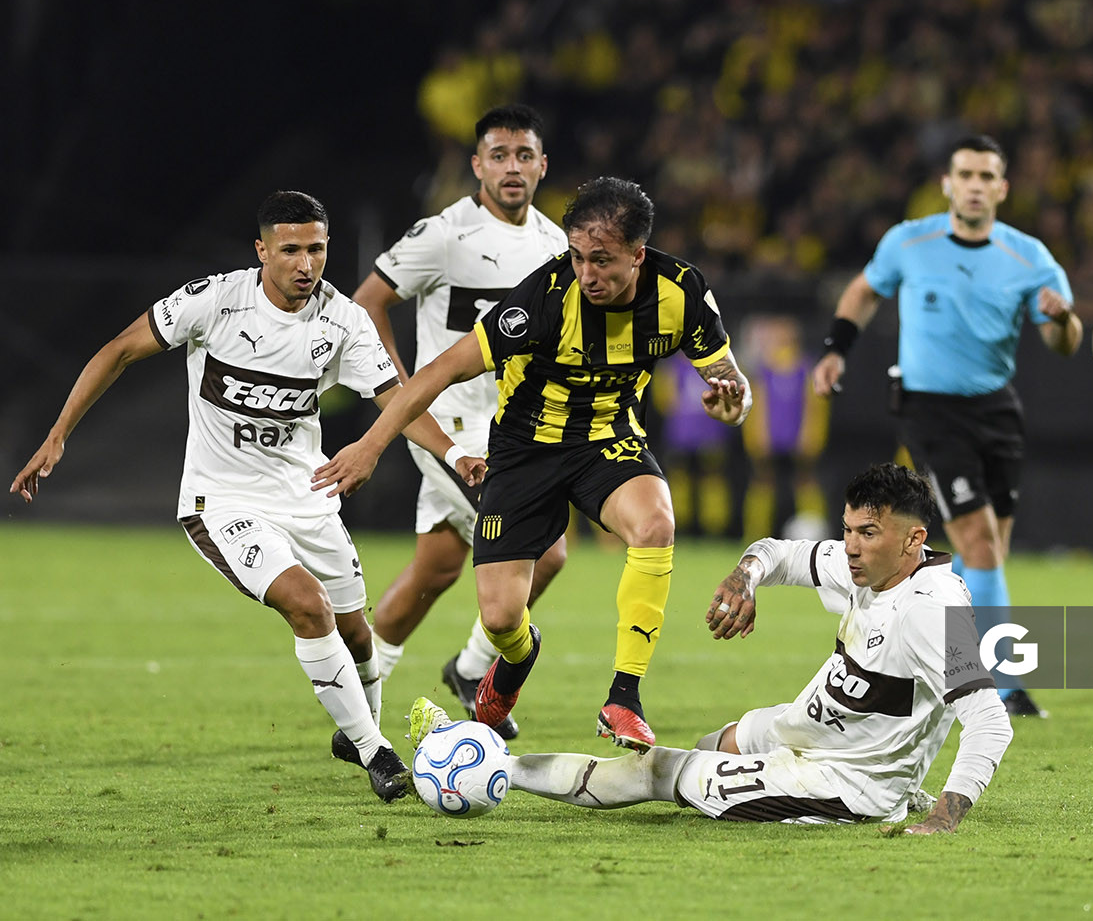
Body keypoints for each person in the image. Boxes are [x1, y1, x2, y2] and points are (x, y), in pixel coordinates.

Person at [9, 192, 471, 802]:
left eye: (317, 249)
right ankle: (374, 751)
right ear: (261, 251)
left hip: (307, 495)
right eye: (290, 250)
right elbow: (119, 349)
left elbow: (400, 401)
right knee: (308, 606)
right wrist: (57, 434)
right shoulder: (215, 301)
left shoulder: (344, 322)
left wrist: (457, 454)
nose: (306, 264)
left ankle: (357, 728)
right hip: (221, 500)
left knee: (358, 636)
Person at [313, 177, 752, 752]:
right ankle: (518, 656)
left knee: (656, 524)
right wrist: (371, 444)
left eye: (602, 260)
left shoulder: (683, 292)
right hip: (524, 451)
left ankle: (624, 698)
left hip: (607, 440)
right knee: (499, 618)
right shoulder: (543, 297)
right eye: (577, 256)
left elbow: (731, 384)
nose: (587, 273)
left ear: (638, 255)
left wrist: (734, 403)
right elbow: (442, 369)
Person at [407, 463, 1014, 830]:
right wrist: (745, 576)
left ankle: (492, 769)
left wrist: (945, 814)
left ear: (915, 540)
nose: (851, 547)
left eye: (868, 534)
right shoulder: (869, 569)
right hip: (813, 727)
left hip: (840, 779)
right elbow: (778, 552)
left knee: (654, 772)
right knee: (712, 745)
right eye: (849, 530)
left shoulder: (935, 612)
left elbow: (989, 722)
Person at [812, 134, 1082, 719]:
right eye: (967, 174)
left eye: (988, 176)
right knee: (981, 542)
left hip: (996, 408)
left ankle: (915, 642)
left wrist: (1064, 323)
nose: (976, 185)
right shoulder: (910, 240)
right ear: (948, 183)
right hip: (928, 407)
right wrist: (837, 349)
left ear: (1002, 188)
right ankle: (996, 686)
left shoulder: (1029, 257)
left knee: (989, 552)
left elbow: (1065, 342)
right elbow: (863, 291)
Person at [351, 104, 568, 739]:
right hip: (448, 424)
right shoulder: (444, 234)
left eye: (523, 155)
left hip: (516, 425)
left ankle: (359, 708)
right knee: (547, 549)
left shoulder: (556, 243)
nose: (511, 167)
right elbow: (368, 303)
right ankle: (476, 672)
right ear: (476, 165)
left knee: (436, 570)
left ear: (542, 165)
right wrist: (398, 392)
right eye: (498, 156)